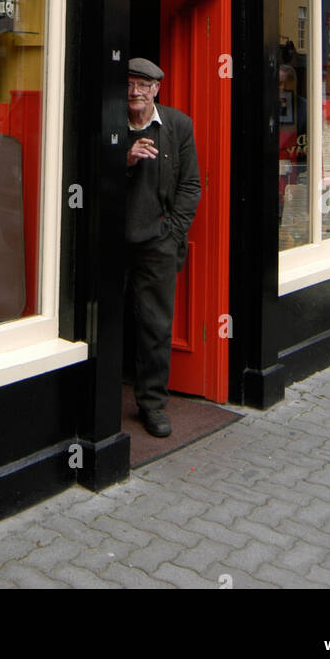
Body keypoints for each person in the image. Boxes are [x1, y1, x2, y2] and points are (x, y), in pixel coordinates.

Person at [125, 58, 201, 438]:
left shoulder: (177, 126)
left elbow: (191, 186)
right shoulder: (111, 122)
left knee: (155, 325)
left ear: (157, 89)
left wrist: (171, 232)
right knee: (103, 318)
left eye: (143, 85)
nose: (135, 92)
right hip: (113, 240)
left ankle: (152, 404)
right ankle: (101, 396)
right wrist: (125, 159)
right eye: (130, 84)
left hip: (157, 243)